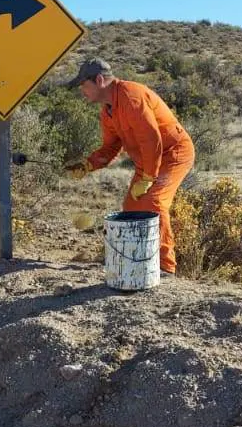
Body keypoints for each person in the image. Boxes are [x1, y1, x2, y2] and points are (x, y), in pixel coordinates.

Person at [65, 57, 195, 276]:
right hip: (149, 159)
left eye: (83, 85)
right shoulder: (108, 110)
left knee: (153, 201)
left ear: (99, 80)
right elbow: (110, 148)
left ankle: (165, 267)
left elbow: (152, 139)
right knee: (132, 207)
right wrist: (87, 165)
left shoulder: (131, 96)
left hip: (173, 153)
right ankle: (139, 261)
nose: (81, 90)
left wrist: (147, 178)